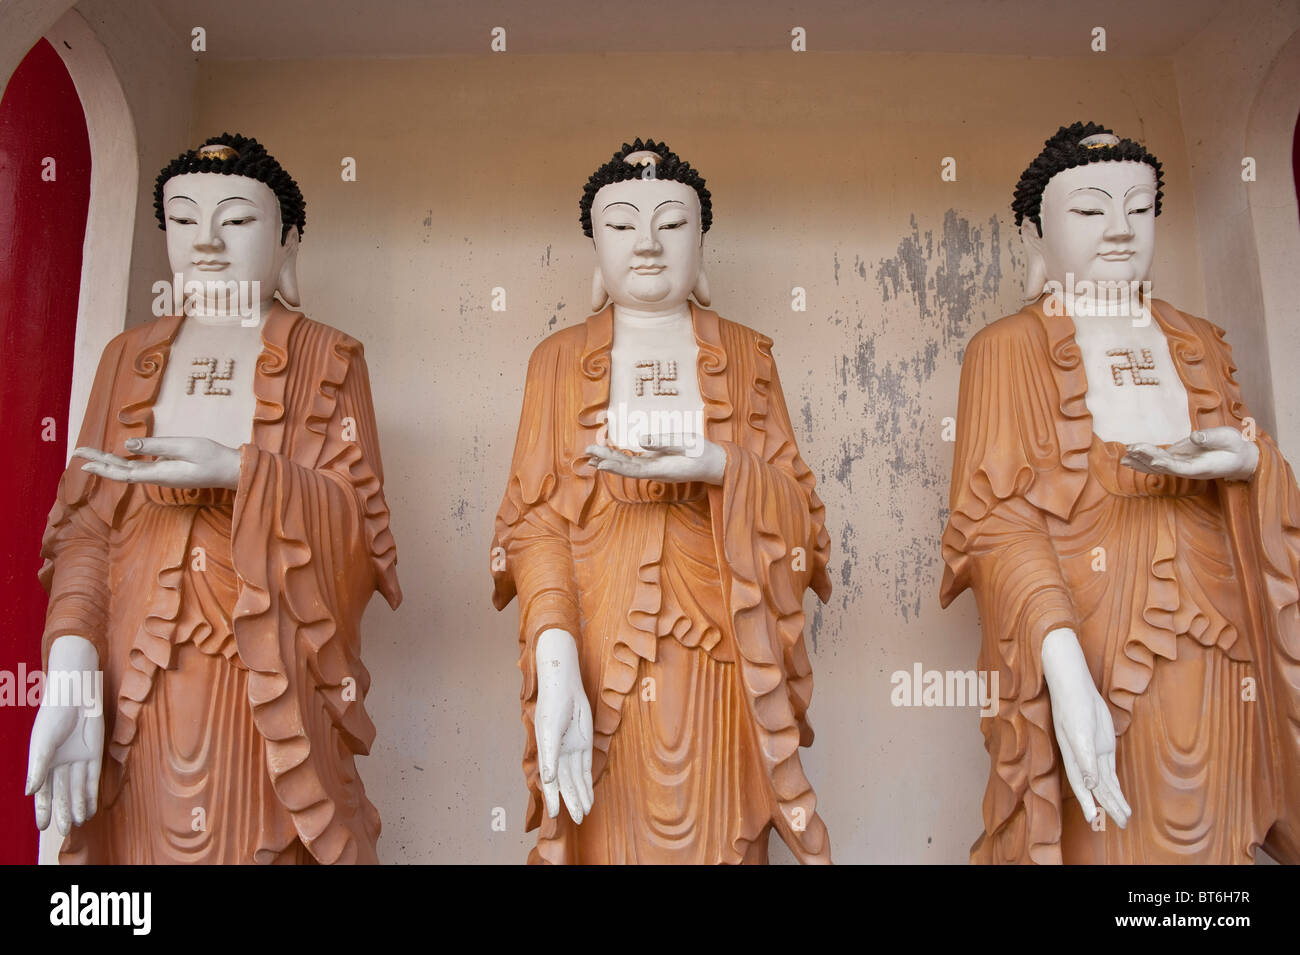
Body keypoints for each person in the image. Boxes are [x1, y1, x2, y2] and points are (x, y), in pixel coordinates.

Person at [25, 133, 401, 864]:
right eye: (184, 218)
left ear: (288, 243)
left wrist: (239, 471)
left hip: (262, 672)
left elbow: (358, 535)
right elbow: (85, 529)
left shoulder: (328, 358)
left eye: (234, 220)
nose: (206, 242)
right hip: (134, 671)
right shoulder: (127, 359)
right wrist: (70, 664)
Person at [941, 122, 1300, 864]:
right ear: (1033, 231)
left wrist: (1250, 465)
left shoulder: (1199, 341)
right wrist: (1063, 664)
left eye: (1140, 209)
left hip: (1221, 641)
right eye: (1091, 209)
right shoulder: (1006, 349)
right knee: (1105, 839)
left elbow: (1258, 473)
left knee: (1220, 845)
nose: (1119, 229)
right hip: (1090, 639)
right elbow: (994, 523)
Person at [490, 139, 833, 863]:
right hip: (594, 654)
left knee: (722, 841)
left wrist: (718, 465)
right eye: (620, 224)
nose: (646, 244)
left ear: (701, 246)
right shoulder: (555, 363)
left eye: (672, 224)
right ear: (595, 247)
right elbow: (532, 523)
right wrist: (555, 657)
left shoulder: (746, 358)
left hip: (722, 653)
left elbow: (803, 523)